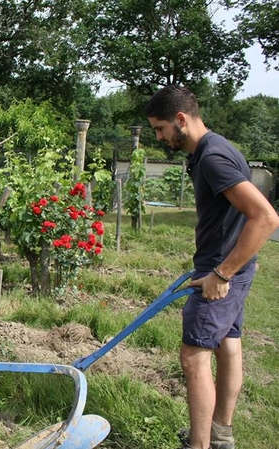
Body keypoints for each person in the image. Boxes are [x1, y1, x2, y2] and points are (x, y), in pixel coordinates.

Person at [145, 85, 279, 449]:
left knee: (193, 356)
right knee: (228, 344)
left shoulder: (212, 157)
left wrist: (222, 274)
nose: (159, 137)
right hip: (233, 264)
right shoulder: (218, 146)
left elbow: (266, 217)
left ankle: (199, 445)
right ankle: (220, 435)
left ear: (181, 119)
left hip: (222, 270)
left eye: (160, 128)